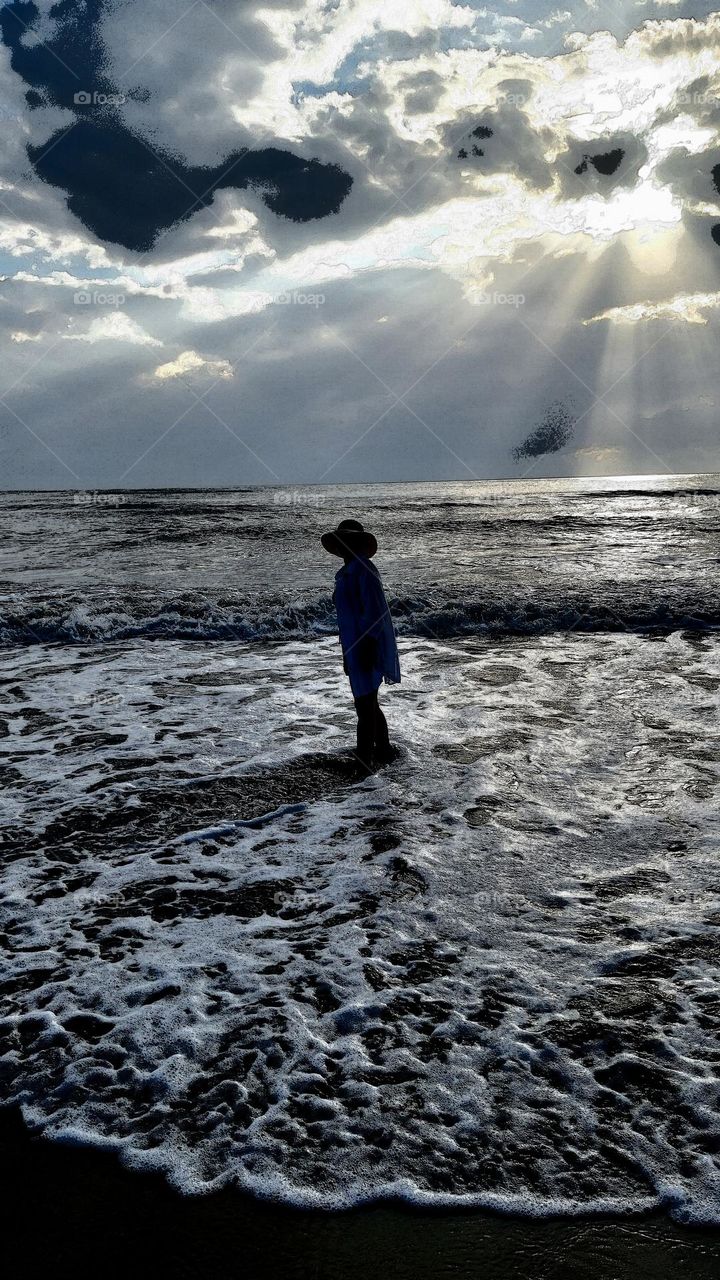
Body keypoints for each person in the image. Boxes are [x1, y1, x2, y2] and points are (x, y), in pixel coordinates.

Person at [321, 518, 400, 769]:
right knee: (367, 702)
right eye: (342, 541)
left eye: (349, 541)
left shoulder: (363, 570)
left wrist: (366, 646)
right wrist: (348, 653)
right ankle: (383, 750)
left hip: (366, 644)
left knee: (365, 704)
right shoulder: (347, 572)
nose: (344, 546)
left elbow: (375, 613)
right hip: (354, 645)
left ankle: (364, 758)